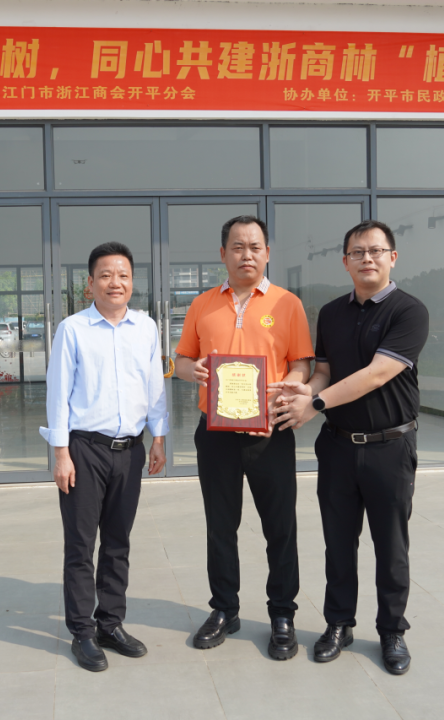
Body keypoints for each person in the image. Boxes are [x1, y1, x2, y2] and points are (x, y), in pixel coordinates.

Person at [270, 220, 429, 675]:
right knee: (338, 544)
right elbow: (324, 371)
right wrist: (303, 390)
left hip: (390, 447)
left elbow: (377, 374)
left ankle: (392, 630)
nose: (367, 259)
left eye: (376, 251)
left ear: (392, 258)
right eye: (357, 252)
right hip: (338, 447)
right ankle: (338, 624)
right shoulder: (332, 313)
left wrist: (315, 404)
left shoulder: (408, 311)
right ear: (345, 261)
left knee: (391, 546)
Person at [174, 215, 313, 661]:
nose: (246, 255)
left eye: (255, 247)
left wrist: (288, 387)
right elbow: (181, 360)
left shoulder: (288, 303)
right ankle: (224, 609)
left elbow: (302, 363)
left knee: (280, 527)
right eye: (237, 247)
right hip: (215, 434)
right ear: (223, 254)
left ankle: (282, 614)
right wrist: (192, 371)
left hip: (269, 432)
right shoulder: (202, 304)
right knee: (220, 525)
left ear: (267, 253)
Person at [40, 241, 168, 672]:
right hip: (84, 450)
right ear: (90, 283)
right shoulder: (73, 329)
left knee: (118, 542)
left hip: (130, 451)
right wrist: (61, 453)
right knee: (81, 545)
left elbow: (154, 386)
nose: (116, 282)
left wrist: (158, 437)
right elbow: (58, 393)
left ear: (132, 282)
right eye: (106, 275)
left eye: (123, 275)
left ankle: (110, 624)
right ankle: (82, 631)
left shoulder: (145, 328)